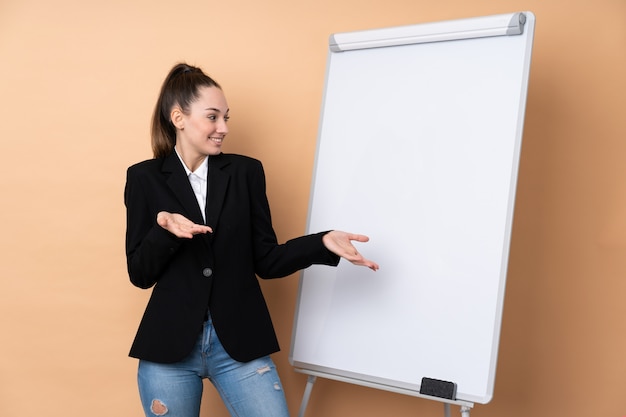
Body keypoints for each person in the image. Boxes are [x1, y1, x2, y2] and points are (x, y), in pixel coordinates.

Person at [124, 62, 379, 417]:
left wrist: (321, 243)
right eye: (213, 117)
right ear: (178, 118)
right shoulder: (143, 178)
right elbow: (140, 273)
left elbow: (267, 260)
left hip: (239, 344)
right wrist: (164, 231)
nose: (223, 128)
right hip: (169, 350)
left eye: (226, 117)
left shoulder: (246, 172)